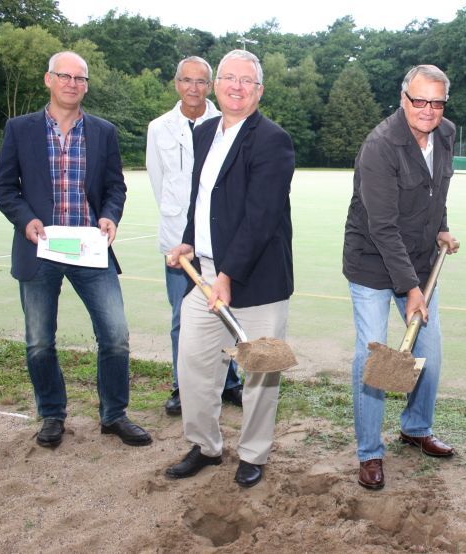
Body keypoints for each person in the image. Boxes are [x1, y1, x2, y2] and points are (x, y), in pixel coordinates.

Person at [0, 51, 151, 448]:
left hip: (89, 248)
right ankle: (51, 416)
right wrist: (25, 218)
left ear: (86, 85)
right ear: (48, 80)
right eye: (64, 76)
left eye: (79, 78)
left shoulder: (102, 131)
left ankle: (114, 415)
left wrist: (110, 216)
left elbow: (116, 187)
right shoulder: (20, 128)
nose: (71, 83)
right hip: (40, 249)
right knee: (39, 341)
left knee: (115, 335)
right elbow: (4, 187)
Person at [164, 50, 294, 488]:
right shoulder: (204, 133)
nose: (236, 87)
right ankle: (205, 445)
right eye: (229, 79)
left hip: (255, 279)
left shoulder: (272, 140)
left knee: (259, 373)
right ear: (217, 85)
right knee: (195, 364)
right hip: (206, 276)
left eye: (246, 81)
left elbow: (261, 215)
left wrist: (228, 275)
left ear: (258, 90)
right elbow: (202, 203)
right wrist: (188, 238)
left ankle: (254, 454)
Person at [342, 64, 459, 491]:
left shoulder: (445, 133)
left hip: (421, 260)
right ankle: (369, 453)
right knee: (374, 357)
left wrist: (441, 226)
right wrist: (411, 289)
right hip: (373, 263)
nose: (428, 110)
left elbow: (436, 190)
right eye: (420, 100)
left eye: (437, 101)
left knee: (429, 350)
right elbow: (383, 227)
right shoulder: (380, 146)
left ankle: (416, 427)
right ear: (403, 98)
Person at [146, 56, 242, 416]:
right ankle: (182, 386)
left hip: (217, 242)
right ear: (176, 83)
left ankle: (230, 382)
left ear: (211, 85)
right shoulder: (159, 128)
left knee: (224, 312)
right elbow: (159, 183)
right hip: (178, 243)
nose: (193, 88)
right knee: (180, 318)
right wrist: (181, 225)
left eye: (201, 81)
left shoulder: (227, 122)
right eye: (187, 80)